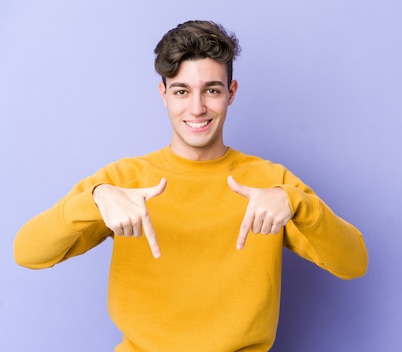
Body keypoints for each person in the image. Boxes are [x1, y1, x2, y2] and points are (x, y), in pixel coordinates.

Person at [13, 20, 368, 351]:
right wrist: (95, 199)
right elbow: (27, 253)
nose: (197, 108)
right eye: (182, 91)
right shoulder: (123, 181)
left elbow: (353, 264)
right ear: (163, 94)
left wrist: (296, 202)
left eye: (211, 90)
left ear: (231, 92)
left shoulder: (270, 183)